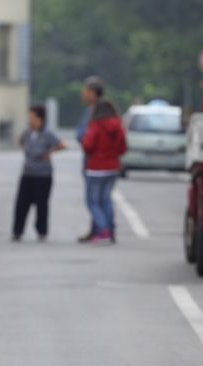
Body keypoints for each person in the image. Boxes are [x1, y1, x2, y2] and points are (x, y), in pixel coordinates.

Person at [13, 105, 66, 242]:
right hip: (28, 172)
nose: (30, 119)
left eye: (32, 116)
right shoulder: (27, 132)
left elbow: (62, 145)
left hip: (43, 174)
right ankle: (17, 231)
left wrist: (49, 152)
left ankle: (42, 231)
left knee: (41, 204)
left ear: (39, 118)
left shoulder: (47, 133)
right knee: (21, 203)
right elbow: (20, 141)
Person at [81, 100, 126, 245]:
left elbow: (88, 145)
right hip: (112, 167)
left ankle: (103, 230)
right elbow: (123, 148)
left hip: (96, 168)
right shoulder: (118, 126)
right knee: (106, 199)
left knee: (93, 202)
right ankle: (110, 230)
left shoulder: (96, 125)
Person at [76, 75, 109, 242]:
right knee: (103, 199)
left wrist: (85, 142)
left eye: (85, 90)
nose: (83, 93)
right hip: (107, 162)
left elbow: (83, 135)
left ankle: (103, 230)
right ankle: (100, 229)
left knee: (94, 200)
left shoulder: (95, 112)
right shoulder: (107, 110)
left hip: (94, 162)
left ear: (93, 92)